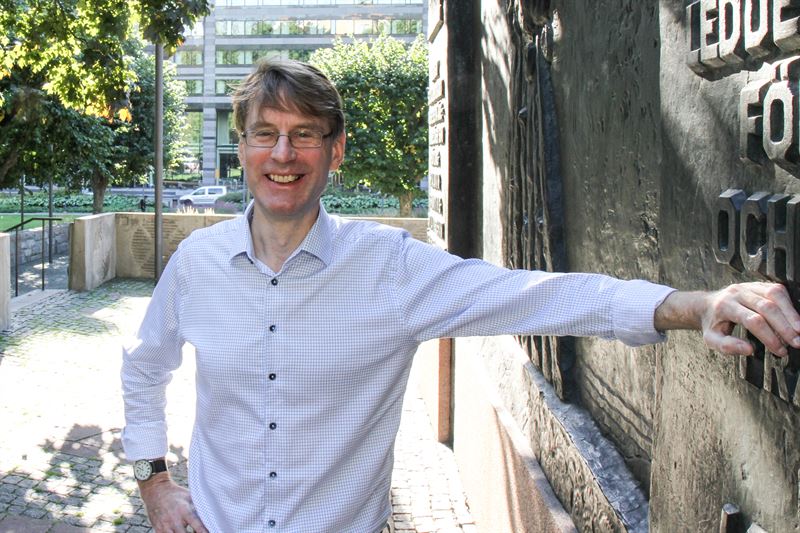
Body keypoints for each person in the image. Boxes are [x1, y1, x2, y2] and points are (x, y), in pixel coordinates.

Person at [121, 59, 800, 533]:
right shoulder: (197, 264)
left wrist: (693, 305)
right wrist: (155, 482)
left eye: (304, 135)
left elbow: (537, 295)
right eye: (265, 134)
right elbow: (145, 366)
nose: (283, 154)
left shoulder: (390, 267)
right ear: (242, 148)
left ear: (336, 151)